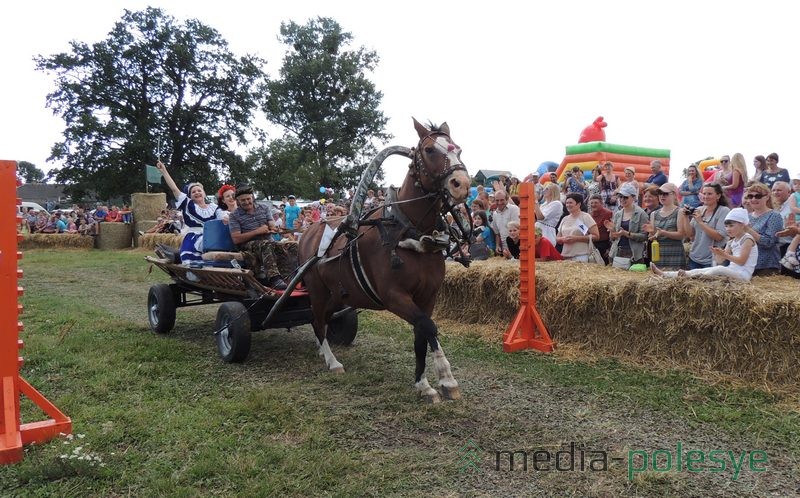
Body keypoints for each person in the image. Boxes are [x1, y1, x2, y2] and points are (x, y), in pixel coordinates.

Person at [652, 208, 757, 281]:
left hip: (743, 274)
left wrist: (724, 255)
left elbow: (742, 262)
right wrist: (717, 254)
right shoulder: (731, 241)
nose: (728, 229)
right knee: (703, 269)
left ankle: (692, 279)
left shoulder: (747, 239)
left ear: (742, 225)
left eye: (731, 226)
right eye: (726, 226)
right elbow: (720, 261)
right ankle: (665, 274)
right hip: (732, 270)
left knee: (718, 269)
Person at [156, 160, 223, 263]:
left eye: (199, 190)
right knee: (193, 269)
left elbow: (223, 218)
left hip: (211, 237)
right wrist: (164, 171)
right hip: (194, 238)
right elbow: (174, 189)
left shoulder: (214, 208)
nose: (197, 193)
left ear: (204, 193)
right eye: (193, 192)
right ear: (190, 196)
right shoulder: (188, 204)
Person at [228, 185, 288, 290]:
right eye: (243, 200)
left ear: (252, 197)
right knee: (266, 244)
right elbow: (236, 239)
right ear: (237, 201)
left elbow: (272, 225)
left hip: (268, 240)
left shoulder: (264, 208)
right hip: (248, 244)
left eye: (248, 199)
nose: (246, 202)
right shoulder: (234, 216)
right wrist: (257, 232)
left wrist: (274, 229)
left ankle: (292, 275)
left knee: (291, 246)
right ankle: (274, 278)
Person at [679, 182, 730, 269]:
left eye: (709, 194)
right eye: (704, 193)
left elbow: (719, 237)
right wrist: (685, 218)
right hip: (695, 258)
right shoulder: (699, 209)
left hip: (713, 259)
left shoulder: (724, 211)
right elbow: (690, 234)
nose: (706, 196)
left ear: (718, 196)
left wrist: (701, 222)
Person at [742, 182, 783, 276]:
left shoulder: (774, 216)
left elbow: (769, 242)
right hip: (748, 265)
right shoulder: (747, 216)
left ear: (767, 197)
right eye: (750, 196)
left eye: (758, 196)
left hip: (766, 267)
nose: (753, 199)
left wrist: (748, 230)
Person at [605, 182, 648, 269]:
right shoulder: (617, 214)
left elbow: (644, 236)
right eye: (620, 196)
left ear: (633, 197)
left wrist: (626, 234)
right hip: (617, 252)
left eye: (625, 197)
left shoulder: (641, 214)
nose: (622, 199)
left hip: (634, 254)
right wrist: (612, 231)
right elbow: (613, 238)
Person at [644, 183, 685, 270]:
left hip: (675, 253)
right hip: (658, 254)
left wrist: (663, 232)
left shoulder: (680, 211)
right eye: (660, 193)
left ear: (674, 195)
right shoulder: (654, 214)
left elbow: (681, 235)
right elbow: (654, 236)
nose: (662, 196)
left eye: (665, 193)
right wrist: (651, 233)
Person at [556, 193, 599, 262]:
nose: (568, 205)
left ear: (578, 204)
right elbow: (557, 238)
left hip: (581, 255)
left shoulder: (585, 217)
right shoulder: (565, 219)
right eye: (567, 203)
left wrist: (576, 238)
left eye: (570, 203)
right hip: (566, 256)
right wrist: (563, 239)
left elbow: (596, 236)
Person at [490, 191, 520, 256]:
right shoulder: (495, 214)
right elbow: (497, 233)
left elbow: (518, 230)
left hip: (516, 248)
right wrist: (497, 246)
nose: (499, 202)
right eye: (497, 200)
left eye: (502, 200)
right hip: (505, 250)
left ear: (507, 199)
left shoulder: (514, 209)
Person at [588, 194, 612, 264]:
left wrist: (609, 249)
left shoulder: (608, 213)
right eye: (591, 203)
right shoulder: (589, 215)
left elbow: (611, 231)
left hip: (604, 245)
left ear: (601, 203)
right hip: (592, 244)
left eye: (596, 203)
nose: (593, 205)